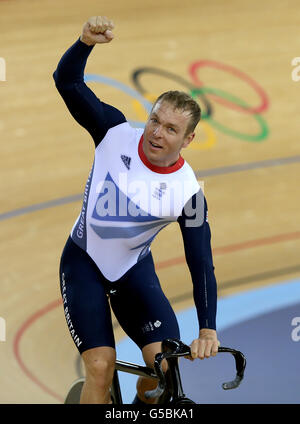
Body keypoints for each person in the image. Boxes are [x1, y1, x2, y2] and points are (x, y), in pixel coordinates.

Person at [53, 16, 219, 404]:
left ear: (188, 138)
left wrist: (208, 329)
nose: (157, 133)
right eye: (154, 121)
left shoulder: (190, 195)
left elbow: (201, 263)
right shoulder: (113, 132)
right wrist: (84, 44)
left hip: (132, 272)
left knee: (165, 369)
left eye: (171, 129)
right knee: (99, 367)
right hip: (84, 263)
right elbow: (68, 82)